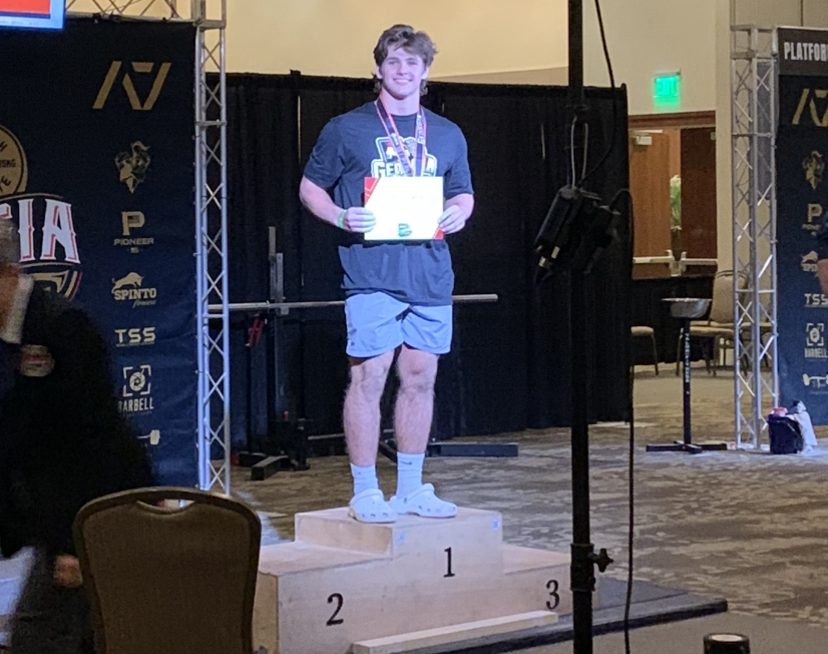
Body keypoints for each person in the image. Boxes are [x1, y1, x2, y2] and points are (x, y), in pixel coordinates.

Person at [299, 24, 474, 524]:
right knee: (369, 376)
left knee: (420, 377)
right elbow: (310, 188)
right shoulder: (346, 128)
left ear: (426, 73)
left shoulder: (446, 132)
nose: (403, 71)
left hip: (430, 273)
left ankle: (413, 487)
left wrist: (461, 210)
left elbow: (463, 191)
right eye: (394, 62)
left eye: (412, 63)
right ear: (378, 69)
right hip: (371, 272)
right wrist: (338, 216)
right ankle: (365, 489)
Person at [0, 221, 154, 653]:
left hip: (91, 511)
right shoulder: (13, 336)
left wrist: (73, 543)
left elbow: (95, 439)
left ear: (10, 274)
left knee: (41, 636)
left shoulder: (63, 328)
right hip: (48, 515)